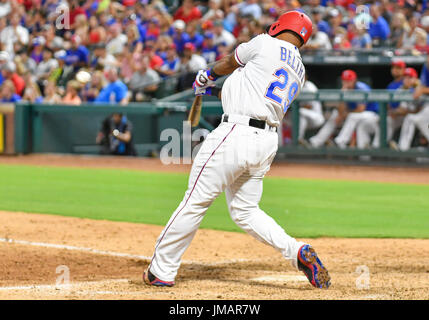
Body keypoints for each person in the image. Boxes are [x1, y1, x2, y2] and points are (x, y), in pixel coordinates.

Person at [143, 11, 331, 289]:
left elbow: (230, 62)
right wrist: (209, 89)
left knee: (194, 201)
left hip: (235, 133)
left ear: (279, 26)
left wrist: (207, 74)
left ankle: (162, 270)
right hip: (265, 142)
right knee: (246, 210)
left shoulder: (265, 42)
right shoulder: (299, 69)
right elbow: (249, 90)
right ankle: (296, 251)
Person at [309, 69, 378, 149]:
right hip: (355, 115)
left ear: (354, 80)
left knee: (352, 116)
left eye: (349, 80)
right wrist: (342, 97)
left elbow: (360, 109)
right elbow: (341, 110)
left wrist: (344, 114)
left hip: (371, 113)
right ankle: (315, 142)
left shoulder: (361, 88)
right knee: (335, 115)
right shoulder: (345, 90)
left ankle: (340, 141)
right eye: (344, 80)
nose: (346, 83)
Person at [398, 63, 429, 151]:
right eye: (405, 77)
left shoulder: (422, 85)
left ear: (416, 78)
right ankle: (403, 149)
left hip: (425, 113)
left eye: (410, 77)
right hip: (420, 115)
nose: (407, 80)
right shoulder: (402, 90)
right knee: (411, 119)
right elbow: (403, 109)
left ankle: (403, 149)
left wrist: (422, 89)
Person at [298, 75, 325, 143]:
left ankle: (298, 139)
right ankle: (299, 140)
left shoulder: (310, 87)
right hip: (305, 119)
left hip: (316, 117)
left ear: (306, 78)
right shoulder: (295, 86)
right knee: (301, 117)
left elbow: (309, 106)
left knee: (299, 111)